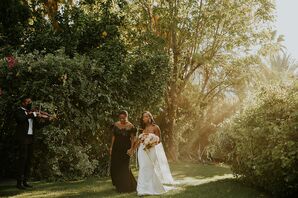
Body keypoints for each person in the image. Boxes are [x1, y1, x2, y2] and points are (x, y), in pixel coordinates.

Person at [14, 96, 52, 189]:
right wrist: (33, 114)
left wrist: (48, 121)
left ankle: (25, 181)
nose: (30, 103)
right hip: (23, 138)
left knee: (29, 160)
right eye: (28, 102)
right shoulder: (19, 111)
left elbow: (38, 126)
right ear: (23, 103)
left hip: (31, 138)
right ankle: (19, 183)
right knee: (22, 160)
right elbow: (20, 119)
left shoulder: (31, 113)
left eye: (30, 101)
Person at [134, 111, 175, 196]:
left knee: (149, 168)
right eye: (143, 117)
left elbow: (158, 140)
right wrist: (134, 148)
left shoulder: (156, 127)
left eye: (146, 116)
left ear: (150, 117)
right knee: (143, 168)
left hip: (151, 150)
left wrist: (149, 144)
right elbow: (139, 140)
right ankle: (141, 189)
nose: (145, 118)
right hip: (142, 151)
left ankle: (151, 187)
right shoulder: (143, 128)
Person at [109, 110, 137, 193]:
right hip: (116, 148)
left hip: (126, 149)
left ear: (127, 117)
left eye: (123, 118)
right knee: (116, 166)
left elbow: (133, 139)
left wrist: (131, 149)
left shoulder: (131, 126)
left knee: (125, 166)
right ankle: (118, 184)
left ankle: (126, 186)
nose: (122, 120)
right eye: (120, 118)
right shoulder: (115, 125)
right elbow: (113, 137)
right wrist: (111, 147)